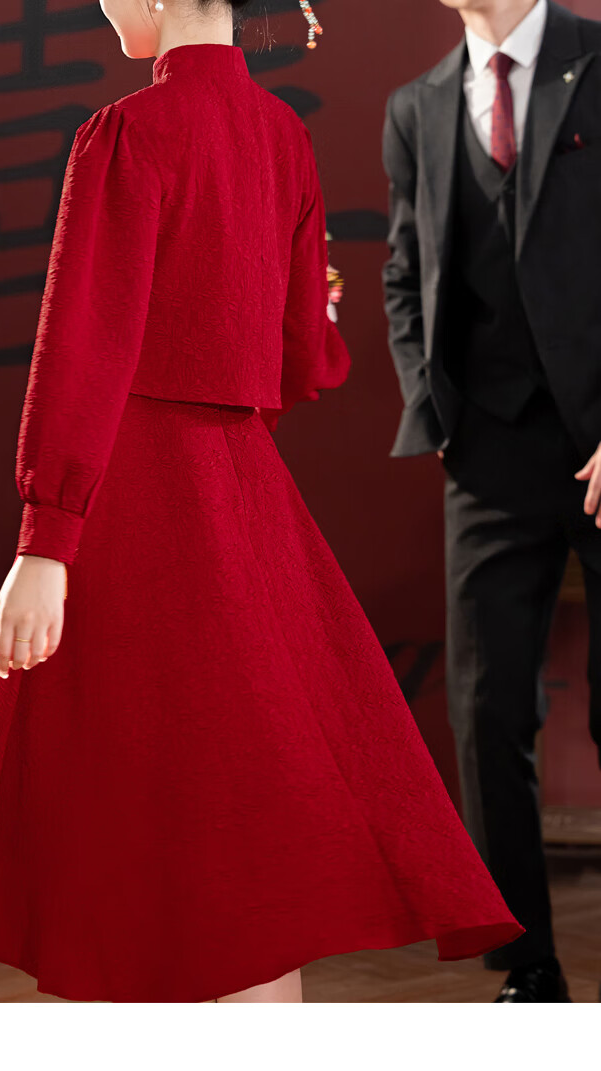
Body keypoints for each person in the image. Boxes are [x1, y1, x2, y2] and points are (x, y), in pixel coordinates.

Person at [0, 0, 522, 1004]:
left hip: (132, 493)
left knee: (129, 823)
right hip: (241, 495)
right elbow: (304, 358)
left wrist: (46, 538)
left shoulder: (126, 132)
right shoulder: (282, 138)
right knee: (243, 824)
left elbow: (82, 346)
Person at [382, 0, 601, 1002]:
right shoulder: (417, 106)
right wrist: (435, 411)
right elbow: (404, 273)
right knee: (486, 710)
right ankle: (528, 969)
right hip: (489, 453)